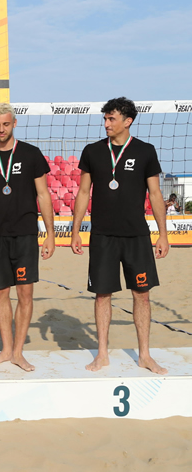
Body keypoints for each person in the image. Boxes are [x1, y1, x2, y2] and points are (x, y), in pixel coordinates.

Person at [71, 97, 169, 375]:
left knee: (142, 295)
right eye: (105, 119)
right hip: (102, 235)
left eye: (111, 119)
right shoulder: (92, 151)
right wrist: (76, 231)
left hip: (137, 235)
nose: (106, 124)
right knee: (102, 295)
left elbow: (156, 194)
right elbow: (82, 192)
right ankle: (102, 354)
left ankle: (145, 355)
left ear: (128, 121)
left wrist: (163, 235)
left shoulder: (146, 151)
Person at [0, 102, 55, 372]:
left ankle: (18, 352)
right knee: (1, 294)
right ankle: (7, 349)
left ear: (14, 123)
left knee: (26, 294)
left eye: (6, 124)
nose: (1, 129)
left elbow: (43, 195)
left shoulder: (31, 154)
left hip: (26, 235)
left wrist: (50, 235)